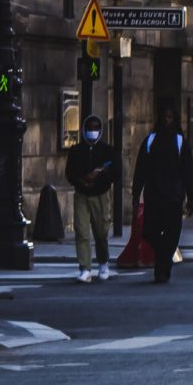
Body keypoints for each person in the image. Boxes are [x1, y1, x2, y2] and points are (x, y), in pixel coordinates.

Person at [133, 105, 193, 284]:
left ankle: (162, 270)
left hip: (174, 197)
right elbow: (140, 170)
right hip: (153, 196)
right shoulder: (150, 141)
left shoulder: (180, 142)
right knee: (149, 232)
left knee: (172, 235)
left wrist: (191, 197)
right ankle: (163, 260)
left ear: (174, 120)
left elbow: (188, 172)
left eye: (170, 117)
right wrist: (136, 194)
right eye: (164, 117)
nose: (167, 121)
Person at [65, 115, 120, 282]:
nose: (92, 132)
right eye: (90, 128)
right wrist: (82, 181)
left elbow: (116, 174)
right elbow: (70, 173)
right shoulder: (76, 151)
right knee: (82, 231)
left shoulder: (107, 151)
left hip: (101, 194)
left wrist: (102, 175)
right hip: (82, 194)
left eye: (96, 128)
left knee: (101, 232)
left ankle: (103, 262)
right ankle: (85, 267)